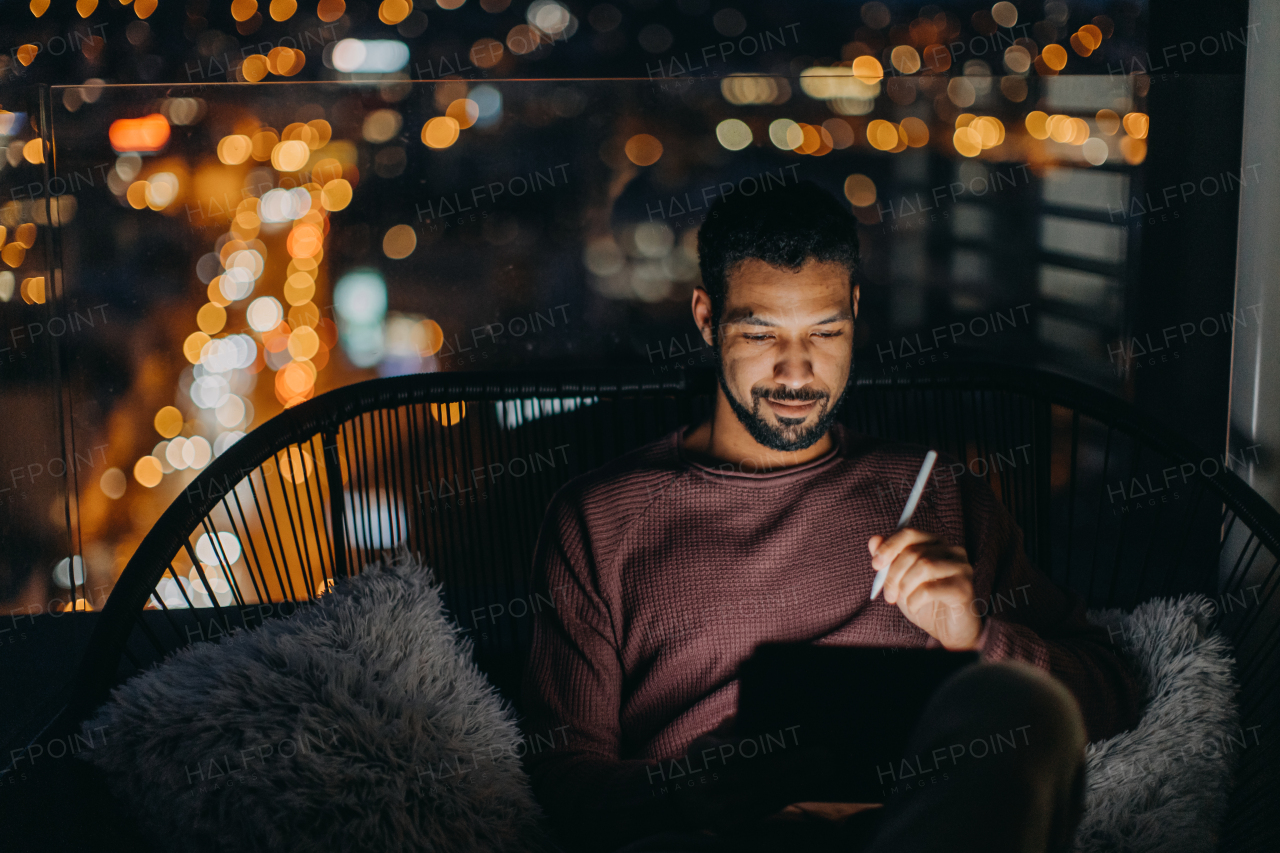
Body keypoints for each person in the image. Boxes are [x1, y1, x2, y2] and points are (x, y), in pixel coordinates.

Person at [520, 181, 1142, 853]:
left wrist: (975, 638)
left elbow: (1108, 691)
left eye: (824, 331)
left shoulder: (938, 495)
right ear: (706, 318)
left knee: (1022, 706)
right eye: (761, 333)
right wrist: (681, 789)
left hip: (902, 836)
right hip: (705, 839)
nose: (796, 372)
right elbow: (564, 782)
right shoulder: (598, 521)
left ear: (853, 313)